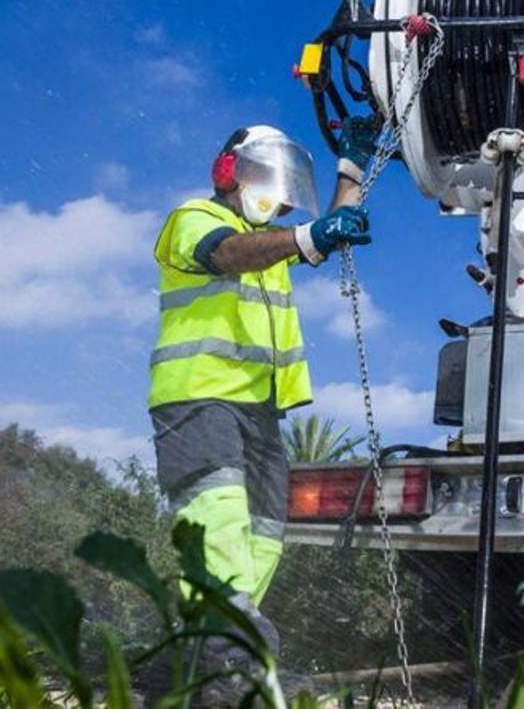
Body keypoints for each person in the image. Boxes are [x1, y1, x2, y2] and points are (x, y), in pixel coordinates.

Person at [146, 118, 378, 681]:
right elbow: (227, 255)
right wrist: (307, 238)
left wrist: (350, 169)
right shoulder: (195, 220)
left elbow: (323, 233)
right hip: (199, 398)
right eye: (264, 181)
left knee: (266, 534)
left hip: (256, 410)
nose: (276, 201)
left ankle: (216, 654)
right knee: (218, 519)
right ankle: (225, 656)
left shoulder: (270, 247)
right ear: (229, 172)